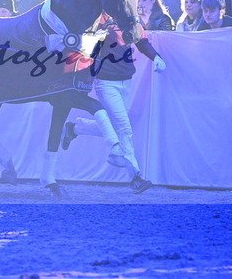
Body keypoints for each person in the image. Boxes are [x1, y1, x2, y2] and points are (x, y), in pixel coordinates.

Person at [61, 12, 168, 193]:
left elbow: (141, 40)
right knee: (124, 127)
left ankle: (76, 128)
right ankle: (135, 177)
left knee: (117, 126)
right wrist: (97, 35)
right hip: (105, 81)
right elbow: (86, 46)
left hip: (126, 79)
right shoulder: (96, 17)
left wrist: (156, 56)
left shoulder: (129, 15)